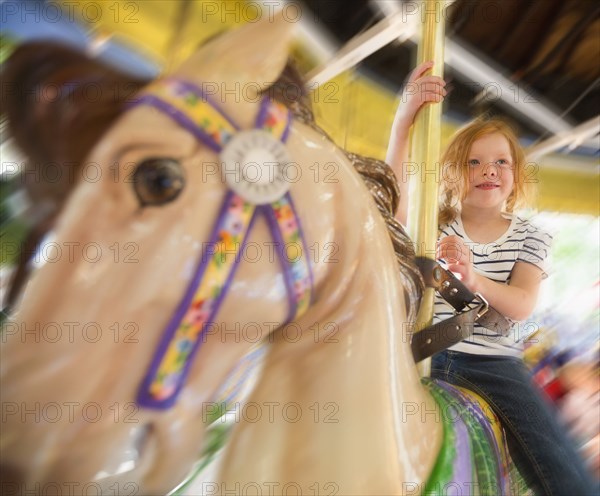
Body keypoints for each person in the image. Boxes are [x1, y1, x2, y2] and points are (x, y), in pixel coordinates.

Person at [387, 61, 598, 495]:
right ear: (452, 174)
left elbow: (522, 302)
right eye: (474, 162)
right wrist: (404, 120)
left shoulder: (530, 236)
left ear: (516, 175)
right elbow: (393, 209)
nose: (488, 169)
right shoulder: (433, 222)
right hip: (417, 351)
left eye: (501, 161)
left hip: (490, 363)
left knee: (558, 463)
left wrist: (475, 279)